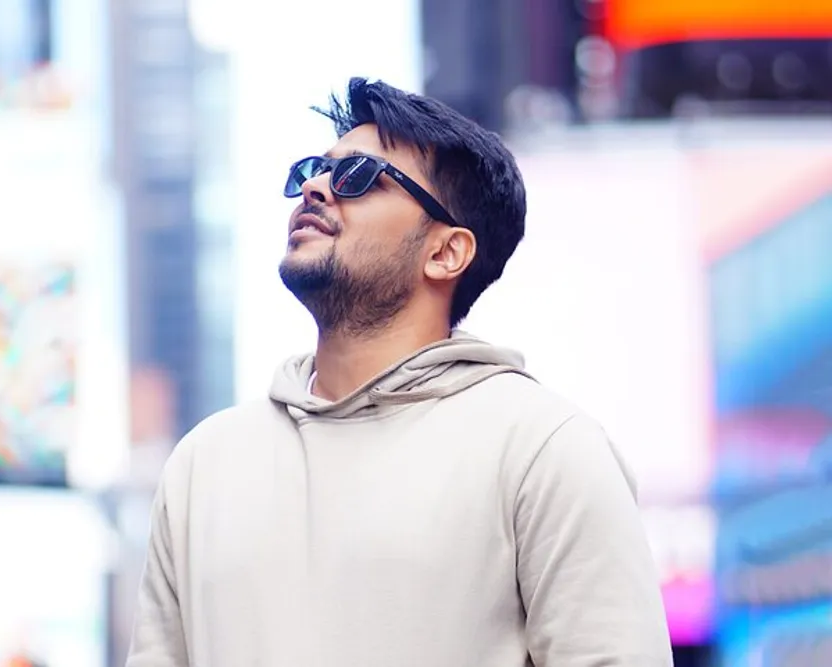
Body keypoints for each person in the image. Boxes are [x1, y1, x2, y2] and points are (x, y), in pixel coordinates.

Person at [127, 77, 673, 667]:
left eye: (356, 175)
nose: (313, 188)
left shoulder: (543, 450)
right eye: (312, 169)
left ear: (446, 252)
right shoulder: (205, 463)